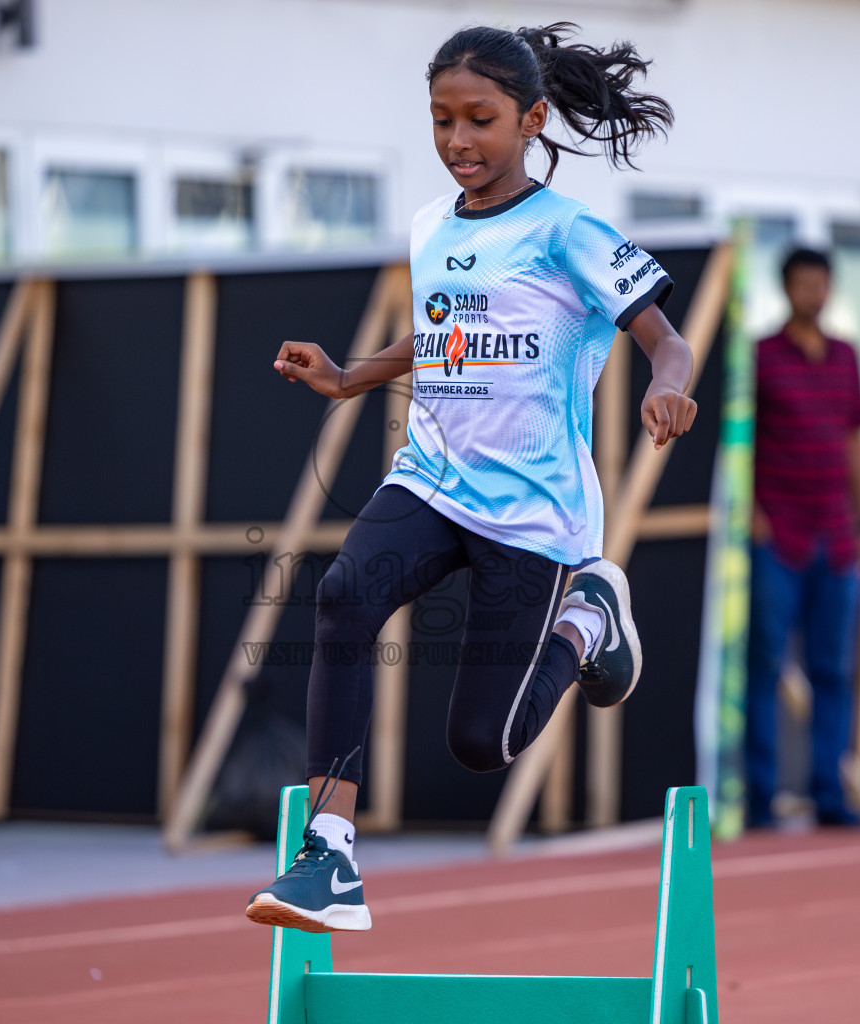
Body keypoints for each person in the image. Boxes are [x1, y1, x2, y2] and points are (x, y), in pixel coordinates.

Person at [244, 23, 697, 933]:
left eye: (480, 121)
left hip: (532, 516)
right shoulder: (430, 228)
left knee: (481, 744)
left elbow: (666, 338)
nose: (458, 141)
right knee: (342, 596)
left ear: (531, 119)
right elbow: (443, 330)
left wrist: (669, 389)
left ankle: (588, 619)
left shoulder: (570, 233)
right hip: (432, 478)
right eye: (442, 121)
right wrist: (349, 375)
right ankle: (330, 857)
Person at [745, 248, 860, 830]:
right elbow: (738, 439)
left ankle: (830, 794)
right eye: (802, 284)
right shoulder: (760, 357)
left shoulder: (848, 356)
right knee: (765, 665)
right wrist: (750, 512)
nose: (813, 294)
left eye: (821, 284)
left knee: (833, 670)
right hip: (779, 534)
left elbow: (854, 440)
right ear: (786, 289)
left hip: (838, 537)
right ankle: (759, 797)